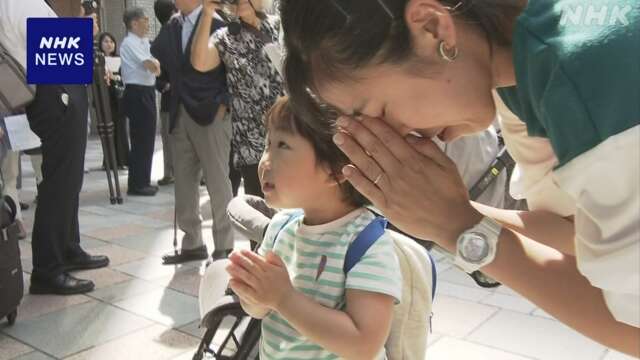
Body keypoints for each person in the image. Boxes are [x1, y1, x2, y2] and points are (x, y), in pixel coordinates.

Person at [279, 0, 640, 356]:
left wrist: (459, 227)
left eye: (383, 112)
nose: (404, 136)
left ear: (432, 27)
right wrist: (438, 212)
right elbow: (573, 231)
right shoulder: (514, 73)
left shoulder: (587, 73)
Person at [226, 96, 402, 359]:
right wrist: (254, 293)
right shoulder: (280, 227)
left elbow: (364, 344)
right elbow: (260, 310)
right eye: (267, 144)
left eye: (282, 145)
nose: (264, 161)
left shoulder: (365, 244)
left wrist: (283, 297)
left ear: (335, 170)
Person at [0, 0, 109, 295]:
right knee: (59, 182)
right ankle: (48, 268)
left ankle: (68, 247)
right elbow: (44, 44)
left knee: (69, 179)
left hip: (60, 81)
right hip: (51, 86)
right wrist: (77, 29)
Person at [151, 0, 235, 264]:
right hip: (179, 113)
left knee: (217, 181)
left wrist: (224, 103)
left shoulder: (220, 23)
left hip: (211, 113)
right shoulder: (172, 25)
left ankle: (224, 245)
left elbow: (233, 71)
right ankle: (192, 243)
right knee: (184, 184)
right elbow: (161, 56)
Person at [192, 0, 284, 198]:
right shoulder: (226, 37)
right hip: (250, 138)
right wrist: (207, 13)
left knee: (292, 201)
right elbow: (199, 63)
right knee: (260, 203)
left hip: (287, 129)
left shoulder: (279, 26)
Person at [120, 7, 162, 196]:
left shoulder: (143, 41)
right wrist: (154, 66)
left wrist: (155, 66)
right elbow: (150, 65)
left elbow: (155, 65)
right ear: (134, 23)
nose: (148, 23)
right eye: (145, 19)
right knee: (140, 139)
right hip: (137, 92)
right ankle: (136, 184)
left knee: (148, 139)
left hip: (147, 91)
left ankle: (143, 179)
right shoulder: (129, 42)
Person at [153, 0, 178, 187]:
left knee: (170, 140)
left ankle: (170, 172)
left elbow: (156, 77)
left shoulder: (157, 42)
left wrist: (163, 85)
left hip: (170, 100)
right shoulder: (177, 36)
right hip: (179, 99)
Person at [98, 32, 129, 170]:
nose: (109, 44)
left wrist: (114, 77)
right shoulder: (98, 61)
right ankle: (110, 161)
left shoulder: (120, 60)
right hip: (104, 98)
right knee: (107, 130)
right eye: (105, 41)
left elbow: (125, 78)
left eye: (111, 41)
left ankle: (123, 159)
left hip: (119, 98)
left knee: (121, 127)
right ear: (100, 44)